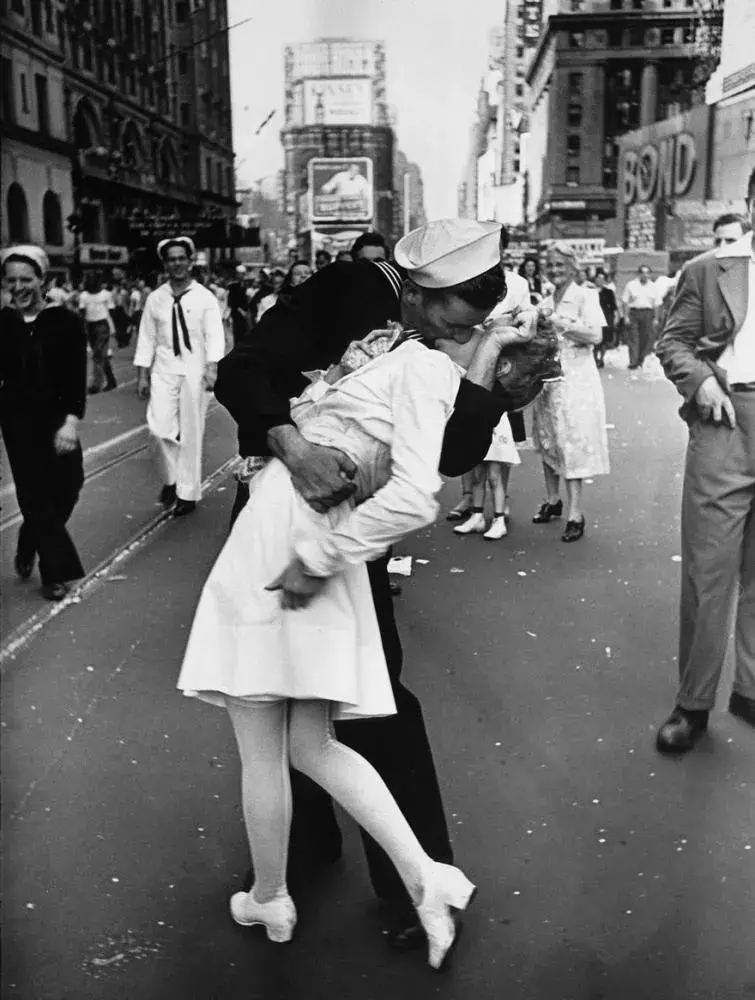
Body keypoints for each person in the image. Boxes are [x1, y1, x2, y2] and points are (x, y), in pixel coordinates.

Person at [213, 219, 510, 951]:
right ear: (416, 290)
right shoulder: (347, 287)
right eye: (451, 320)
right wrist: (292, 443)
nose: (456, 335)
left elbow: (446, 460)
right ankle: (299, 857)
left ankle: (404, 882)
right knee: (296, 713)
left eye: (472, 327)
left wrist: (492, 388)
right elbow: (241, 370)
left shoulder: (448, 344)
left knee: (359, 699)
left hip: (348, 534)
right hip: (288, 509)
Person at [654, 169, 755, 753]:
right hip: (727, 421)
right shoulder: (710, 270)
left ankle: (751, 689)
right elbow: (673, 342)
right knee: (708, 572)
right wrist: (700, 383)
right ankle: (692, 705)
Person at [0, 246, 87, 601]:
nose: (18, 287)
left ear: (43, 281)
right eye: (11, 280)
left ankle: (30, 538)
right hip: (16, 421)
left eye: (26, 279)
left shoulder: (64, 322)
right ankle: (55, 573)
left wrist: (70, 421)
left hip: (56, 419)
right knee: (34, 494)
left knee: (69, 486)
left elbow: (75, 376)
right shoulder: (3, 323)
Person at [133, 237, 225, 516]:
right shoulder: (155, 298)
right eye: (171, 259)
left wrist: (212, 368)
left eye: (181, 258)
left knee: (192, 433)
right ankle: (171, 480)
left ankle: (187, 493)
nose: (177, 264)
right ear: (165, 264)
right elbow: (146, 338)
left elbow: (214, 335)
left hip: (195, 372)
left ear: (190, 261)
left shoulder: (204, 297)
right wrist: (142, 375)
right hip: (163, 370)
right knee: (158, 430)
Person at [449, 258, 535, 533]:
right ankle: (474, 509)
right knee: (474, 465)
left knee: (496, 467)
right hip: (470, 387)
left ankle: (499, 511)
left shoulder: (518, 285)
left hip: (497, 395)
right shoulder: (461, 286)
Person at [531, 243, 609, 543]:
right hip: (548, 379)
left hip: (577, 380)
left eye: (560, 265)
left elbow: (595, 335)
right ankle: (553, 500)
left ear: (573, 267)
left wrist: (558, 322)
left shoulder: (587, 295)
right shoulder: (546, 300)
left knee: (572, 442)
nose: (554, 270)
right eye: (550, 265)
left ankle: (576, 513)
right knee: (548, 439)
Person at [78, 275, 117, 392]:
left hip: (102, 325)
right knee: (100, 355)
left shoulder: (105, 294)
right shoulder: (84, 296)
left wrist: (112, 328)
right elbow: (82, 312)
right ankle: (111, 380)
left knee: (98, 354)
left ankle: (96, 384)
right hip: (90, 326)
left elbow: (112, 311)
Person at [622, 264, 660, 369]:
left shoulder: (653, 287)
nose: (645, 275)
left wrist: (656, 318)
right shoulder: (631, 285)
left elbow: (657, 304)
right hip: (634, 313)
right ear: (639, 274)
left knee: (646, 338)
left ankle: (641, 359)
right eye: (643, 273)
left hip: (648, 314)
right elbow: (625, 301)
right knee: (634, 338)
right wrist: (625, 316)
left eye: (648, 273)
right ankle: (633, 362)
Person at [593, 269, 618, 368]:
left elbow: (613, 307)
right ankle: (595, 358)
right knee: (595, 340)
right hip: (593, 317)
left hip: (605, 317)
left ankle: (602, 358)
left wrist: (615, 318)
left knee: (604, 340)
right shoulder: (590, 291)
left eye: (602, 279)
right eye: (598, 278)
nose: (600, 280)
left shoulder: (608, 292)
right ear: (595, 279)